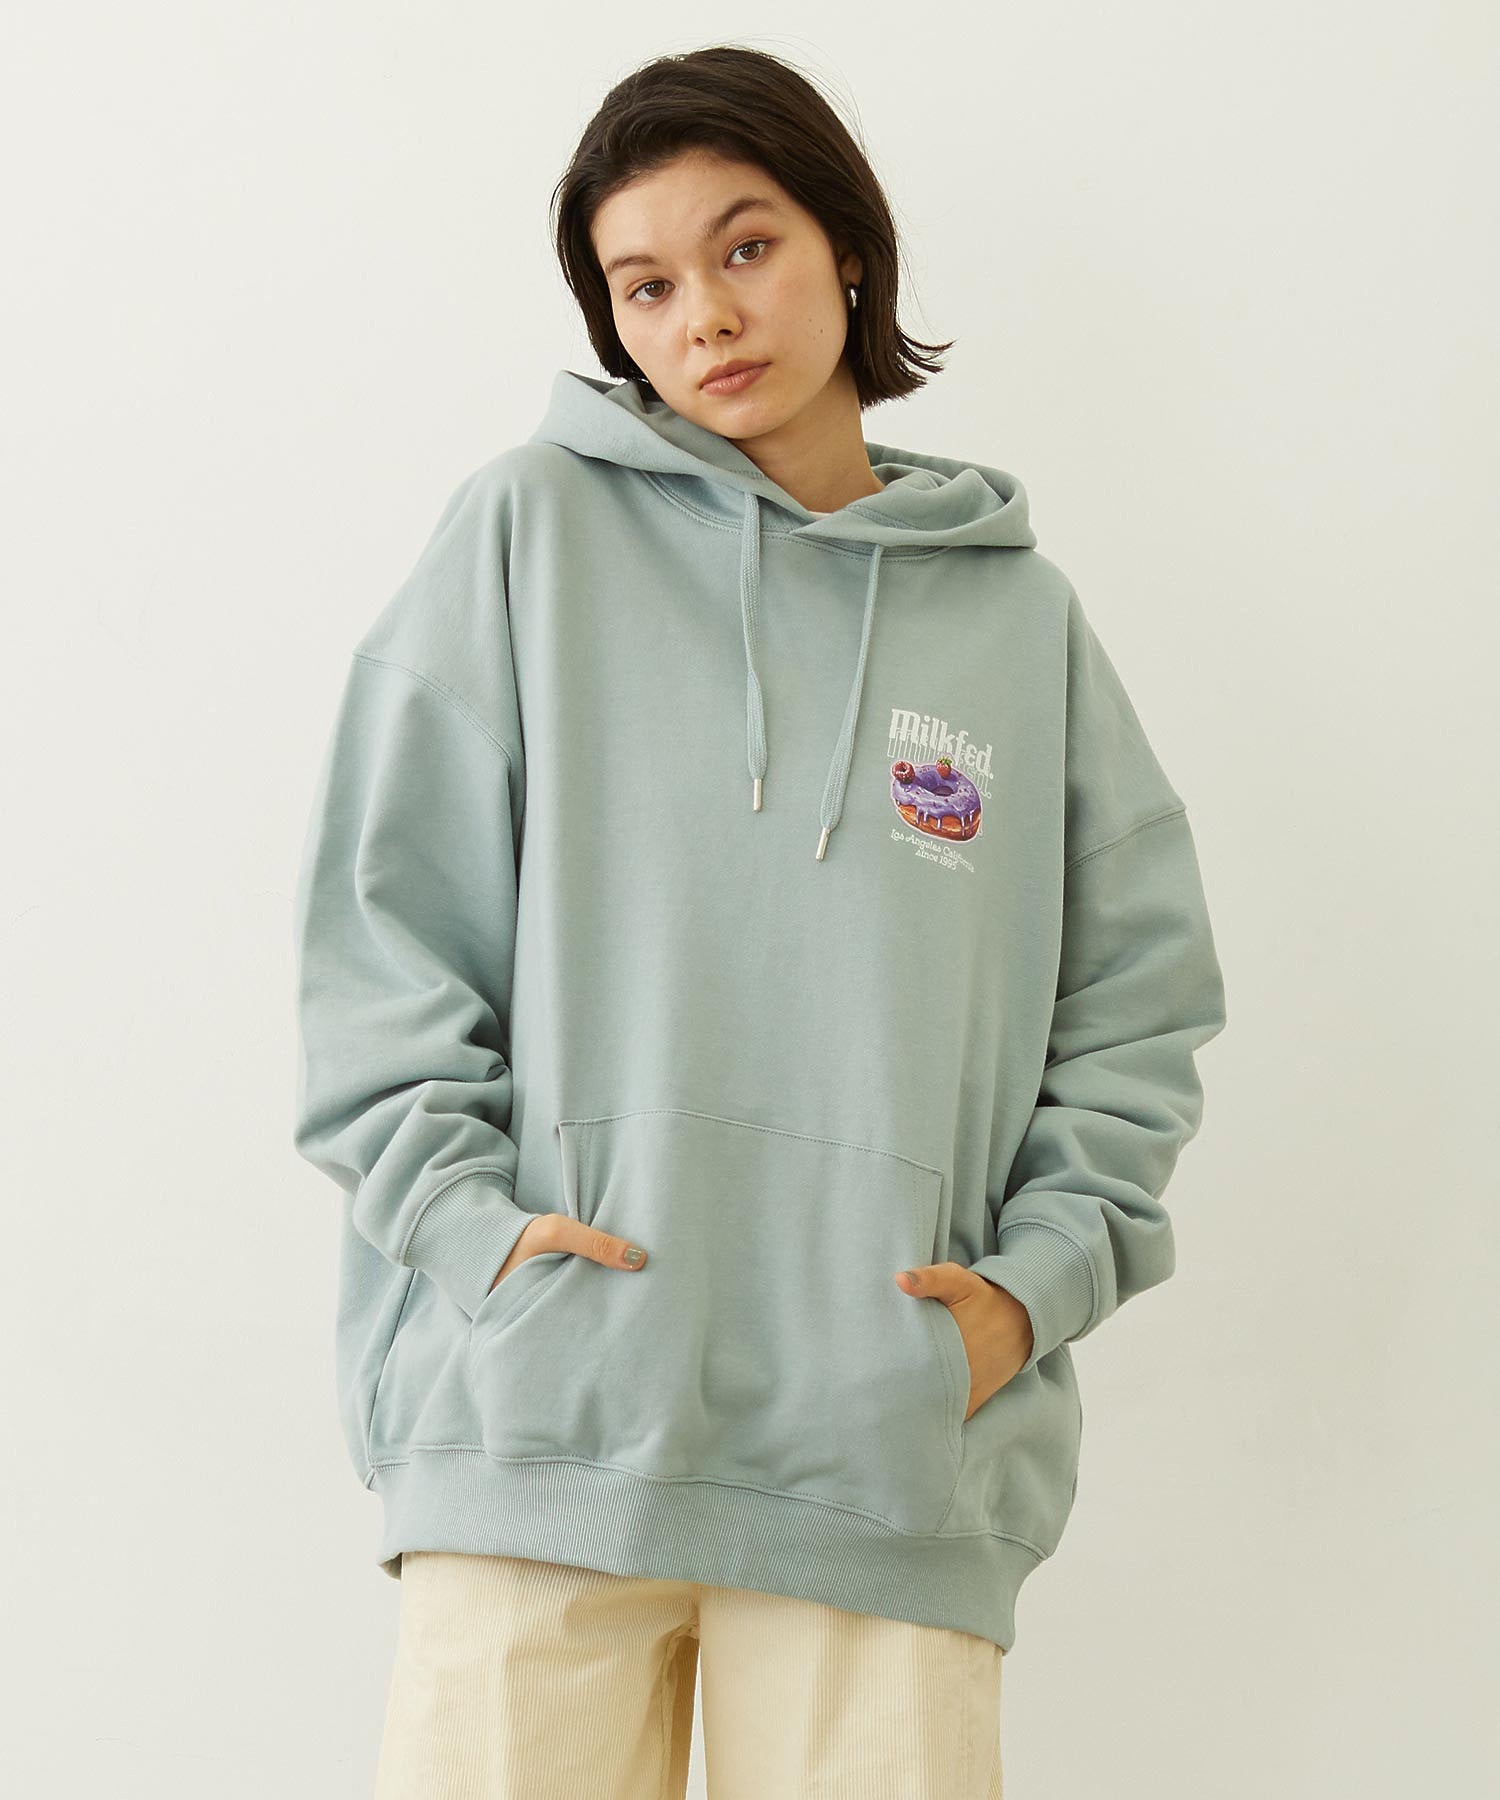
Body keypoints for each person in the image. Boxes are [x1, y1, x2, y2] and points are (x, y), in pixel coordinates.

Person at [290, 43, 1228, 1800]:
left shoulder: (1019, 625)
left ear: (846, 249)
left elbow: (1140, 999)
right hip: (538, 1426)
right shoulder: (525, 535)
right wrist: (477, 1244)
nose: (706, 315)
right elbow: (379, 940)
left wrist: (1027, 1296)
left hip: (883, 1455)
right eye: (645, 285)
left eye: (746, 247)